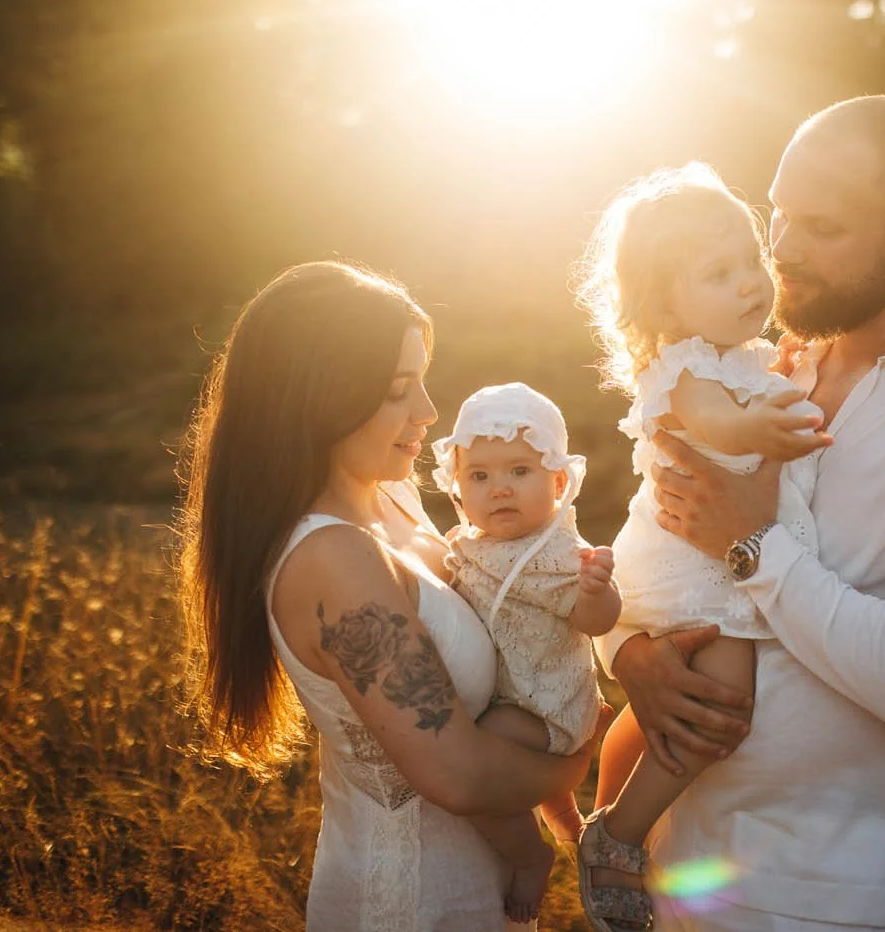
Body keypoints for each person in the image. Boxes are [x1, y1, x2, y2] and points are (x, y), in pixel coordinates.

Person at [594, 95, 885, 931]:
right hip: (669, 876)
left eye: (820, 227)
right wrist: (629, 651)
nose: (780, 252)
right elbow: (659, 541)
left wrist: (754, 543)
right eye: (776, 215)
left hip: (812, 902)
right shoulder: (764, 370)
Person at [176, 261, 604, 932]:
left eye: (423, 381)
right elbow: (456, 775)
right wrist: (581, 752)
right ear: (323, 394)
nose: (429, 412)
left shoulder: (393, 497)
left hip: (479, 890)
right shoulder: (332, 558)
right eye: (400, 388)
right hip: (411, 901)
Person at [573, 163, 833, 930]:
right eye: (719, 274)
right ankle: (616, 832)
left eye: (752, 262)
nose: (750, 284)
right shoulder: (679, 367)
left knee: (707, 711)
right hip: (688, 569)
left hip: (722, 562)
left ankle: (624, 822)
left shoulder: (750, 358)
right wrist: (767, 424)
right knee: (724, 709)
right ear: (667, 303)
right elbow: (716, 422)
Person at [429, 381, 621, 921]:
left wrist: (597, 591)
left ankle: (527, 855)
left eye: (520, 471)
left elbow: (595, 621)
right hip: (512, 693)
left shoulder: (559, 553)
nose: (500, 489)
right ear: (457, 487)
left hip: (548, 705)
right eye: (480, 476)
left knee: (480, 758)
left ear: (559, 482)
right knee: (506, 752)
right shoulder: (472, 545)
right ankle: (569, 827)